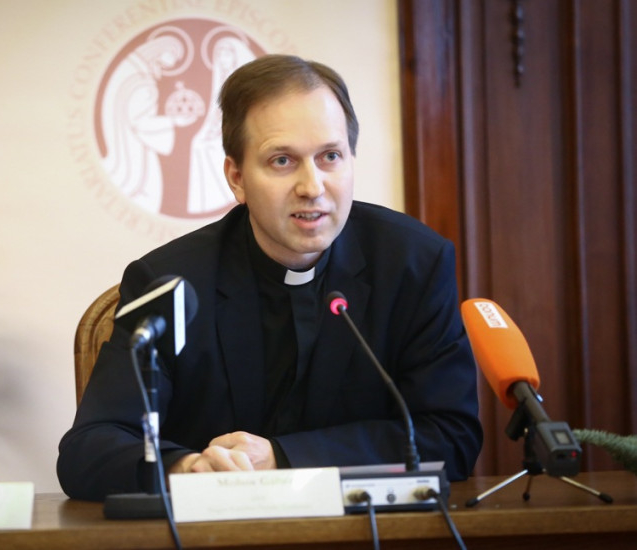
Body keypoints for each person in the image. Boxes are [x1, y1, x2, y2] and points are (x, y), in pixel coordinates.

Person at [58, 54, 483, 501]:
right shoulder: (171, 283)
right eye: (282, 161)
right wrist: (185, 468)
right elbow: (89, 449)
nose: (312, 187)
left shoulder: (413, 264)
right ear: (237, 178)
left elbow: (451, 436)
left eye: (330, 157)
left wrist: (282, 457)